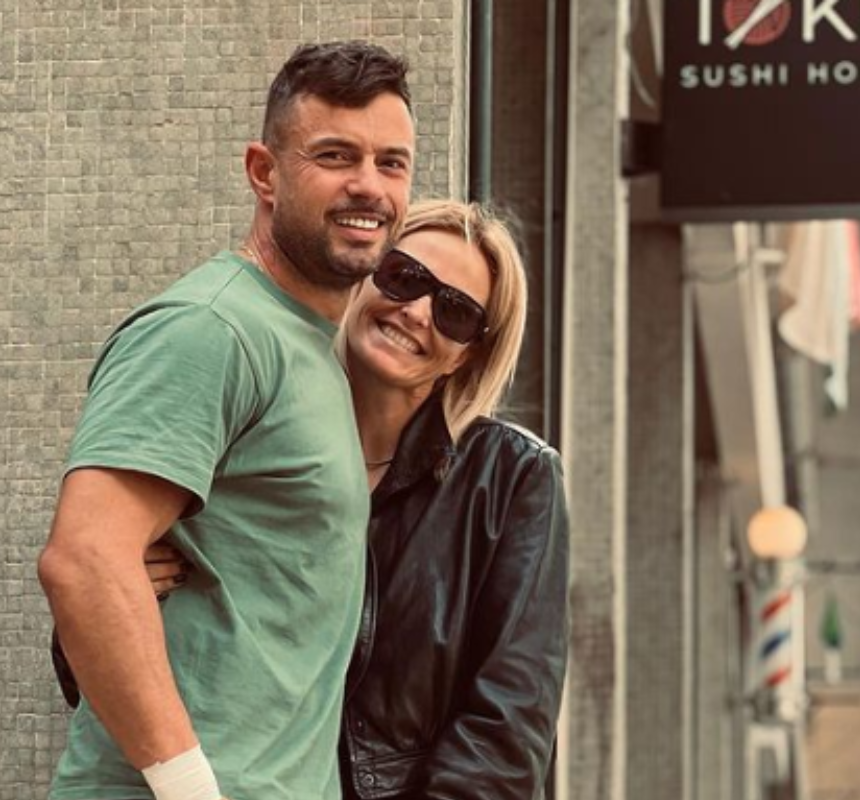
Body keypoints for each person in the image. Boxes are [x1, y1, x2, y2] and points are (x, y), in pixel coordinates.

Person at [37, 41, 415, 800]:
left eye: (392, 163)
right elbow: (85, 561)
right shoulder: (212, 328)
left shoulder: (308, 347)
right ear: (264, 172)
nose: (368, 185)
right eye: (335, 155)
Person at [134, 199, 570, 799]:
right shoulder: (254, 418)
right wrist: (125, 586)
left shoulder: (513, 478)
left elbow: (506, 731)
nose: (417, 311)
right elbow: (102, 634)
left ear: (468, 353)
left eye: (455, 311)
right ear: (365, 274)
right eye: (405, 276)